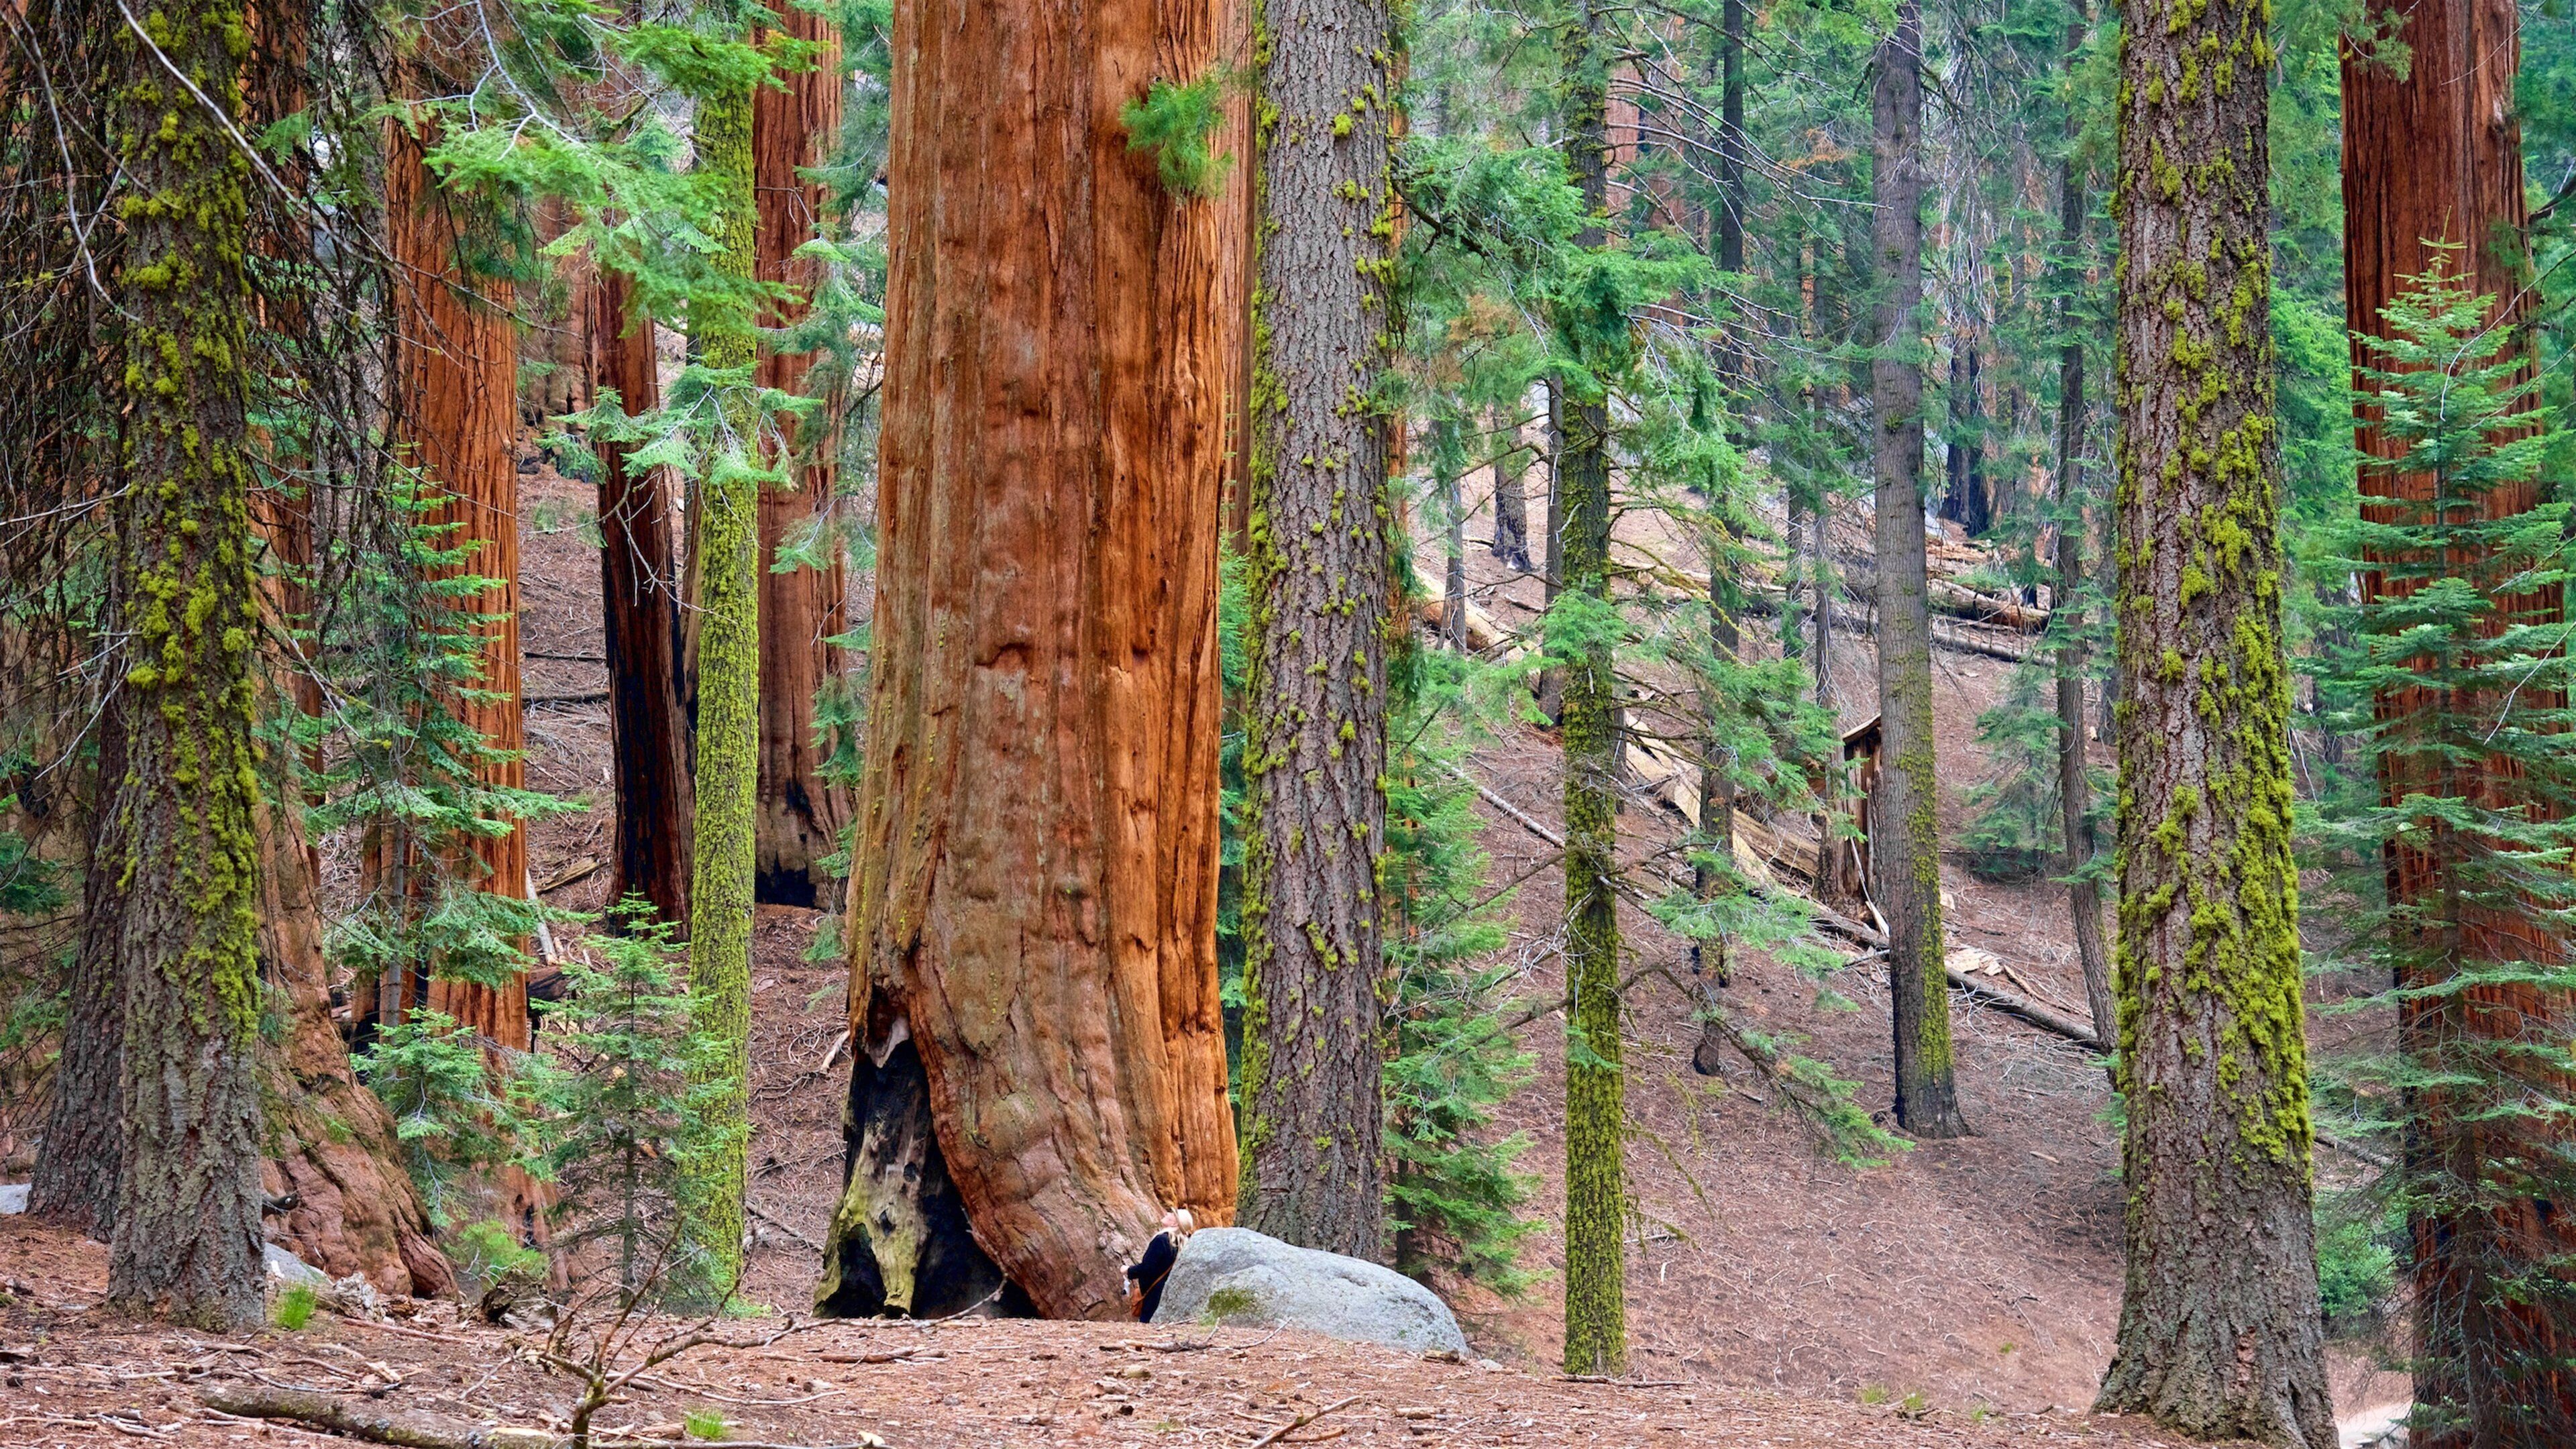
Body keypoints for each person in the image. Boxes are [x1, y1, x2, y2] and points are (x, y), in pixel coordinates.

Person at [1124, 1209, 1193, 1322]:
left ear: (1175, 1224)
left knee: (1147, 1326)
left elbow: (1147, 1268)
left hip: (1153, 1295)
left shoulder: (1161, 1240)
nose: (1168, 1213)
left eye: (1173, 1214)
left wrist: (1128, 1270)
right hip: (1169, 1294)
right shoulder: (1184, 1244)